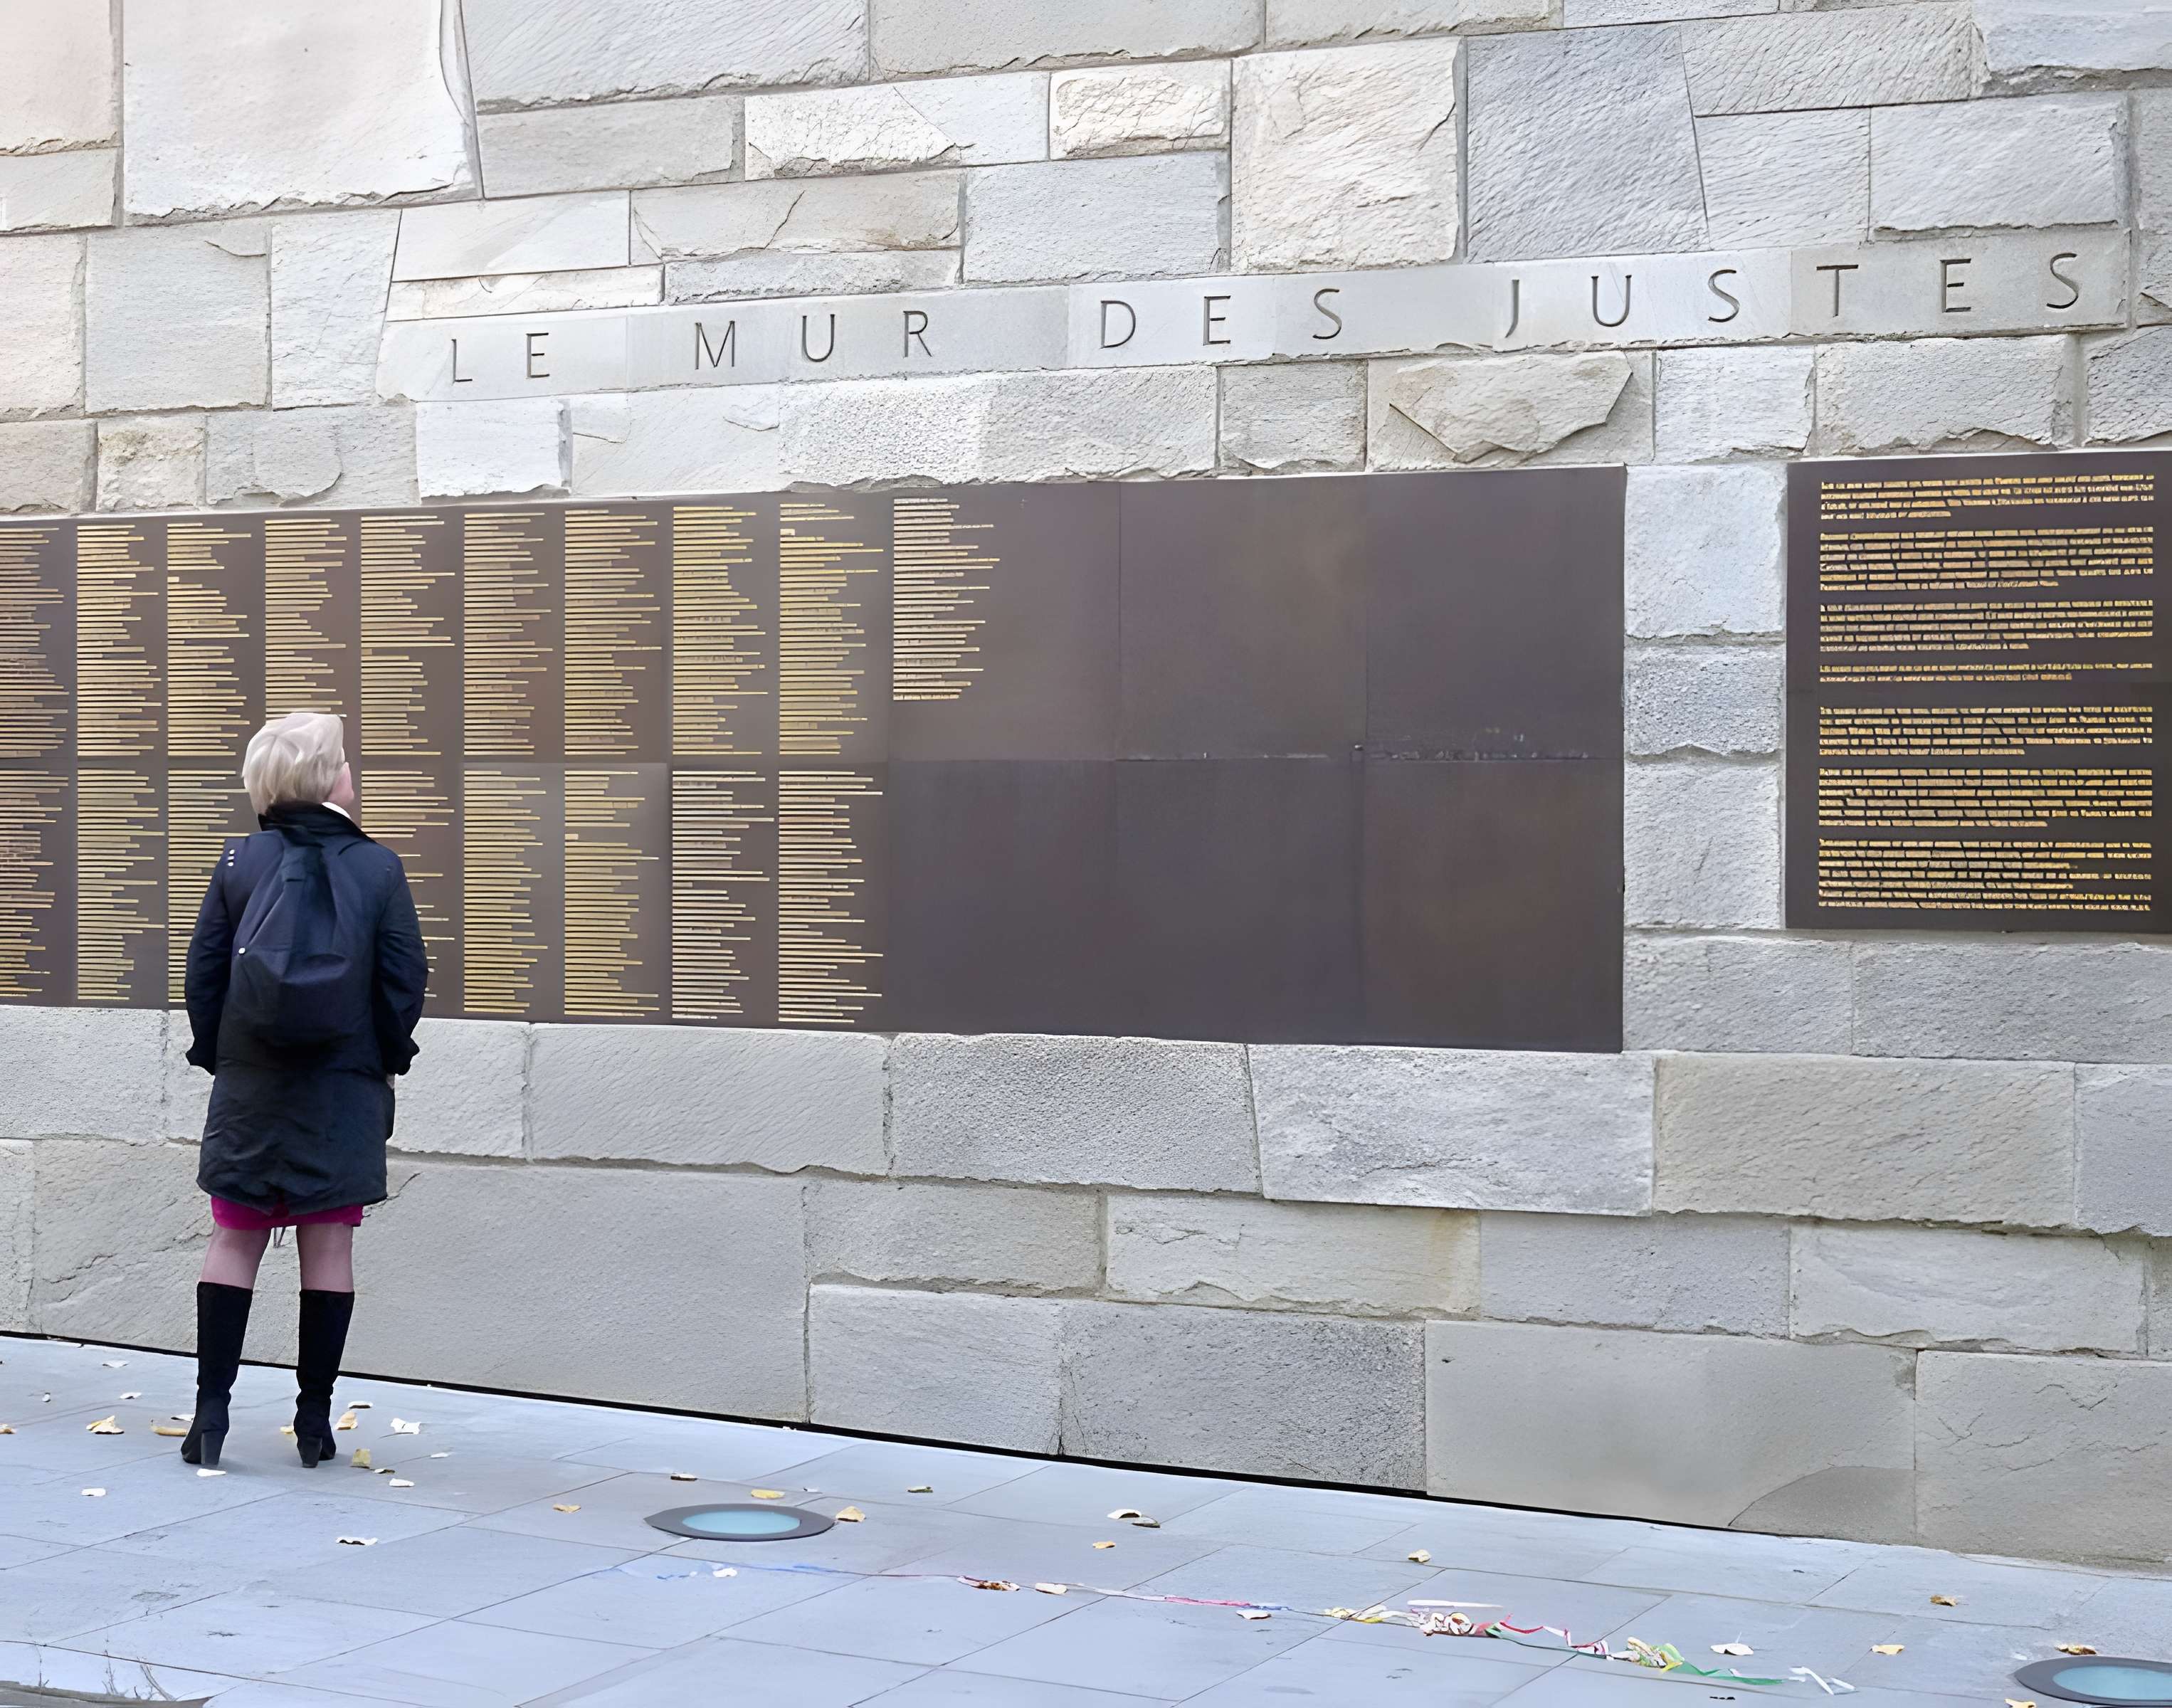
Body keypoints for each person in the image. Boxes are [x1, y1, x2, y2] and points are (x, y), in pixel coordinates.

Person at [180, 711, 427, 1469]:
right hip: (341, 1090)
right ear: (328, 780)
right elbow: (402, 983)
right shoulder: (379, 868)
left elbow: (204, 977)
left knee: (233, 1240)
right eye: (346, 762)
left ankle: (209, 1417)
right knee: (328, 1248)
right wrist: (382, 1060)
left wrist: (229, 1060)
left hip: (252, 1087)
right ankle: (314, 1422)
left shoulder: (237, 863)